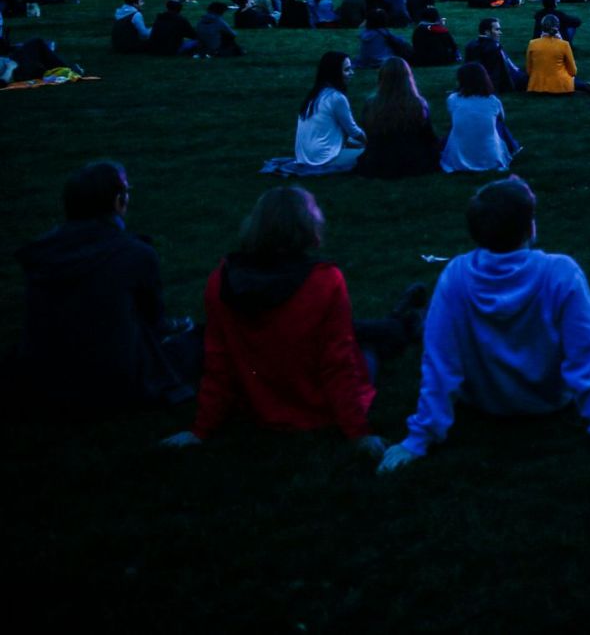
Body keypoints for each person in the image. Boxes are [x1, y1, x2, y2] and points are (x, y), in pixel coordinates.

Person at [377, 177, 590, 473]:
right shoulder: (560, 273)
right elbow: (587, 356)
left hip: (483, 401)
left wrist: (418, 439)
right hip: (549, 400)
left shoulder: (456, 276)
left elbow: (440, 362)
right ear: (530, 227)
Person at [157, 187, 424, 455]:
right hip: (315, 404)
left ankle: (398, 320)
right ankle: (400, 324)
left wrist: (200, 430)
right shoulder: (324, 281)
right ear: (306, 225)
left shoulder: (221, 281)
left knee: (354, 333)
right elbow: (339, 364)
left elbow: (218, 361)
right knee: (366, 349)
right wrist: (359, 433)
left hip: (258, 398)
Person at [11, 161, 200, 414]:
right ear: (118, 201)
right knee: (200, 341)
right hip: (113, 383)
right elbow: (154, 319)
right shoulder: (134, 253)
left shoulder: (44, 252)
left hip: (43, 378)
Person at [262, 52, 367, 176]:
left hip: (304, 157)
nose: (352, 73)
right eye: (347, 70)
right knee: (372, 153)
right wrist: (369, 140)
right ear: (335, 73)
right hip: (323, 158)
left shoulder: (315, 95)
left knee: (358, 146)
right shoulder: (336, 97)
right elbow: (353, 131)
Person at [354, 57, 441, 178]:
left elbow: (369, 136)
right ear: (408, 77)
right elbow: (429, 137)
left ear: (381, 78)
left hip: (378, 163)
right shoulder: (418, 104)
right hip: (413, 163)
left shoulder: (371, 105)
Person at [441, 62, 519, 173]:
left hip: (457, 159)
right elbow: (502, 119)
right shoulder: (493, 101)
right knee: (499, 124)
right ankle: (511, 147)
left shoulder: (453, 99)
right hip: (491, 159)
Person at [463, 17, 525, 94]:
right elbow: (503, 71)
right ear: (487, 32)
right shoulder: (493, 47)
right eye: (497, 29)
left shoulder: (471, 45)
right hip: (513, 80)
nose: (500, 33)